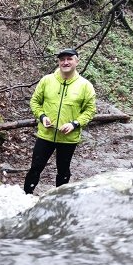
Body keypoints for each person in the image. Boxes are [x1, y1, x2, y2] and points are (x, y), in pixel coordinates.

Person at [23, 48, 96, 194]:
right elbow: (35, 102)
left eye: (69, 59)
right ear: (58, 62)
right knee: (35, 167)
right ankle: (26, 198)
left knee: (63, 170)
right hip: (46, 134)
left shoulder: (85, 85)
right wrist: (42, 117)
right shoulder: (47, 80)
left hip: (68, 138)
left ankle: (59, 200)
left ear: (77, 61)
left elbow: (90, 110)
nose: (65, 62)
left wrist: (74, 124)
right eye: (62, 59)